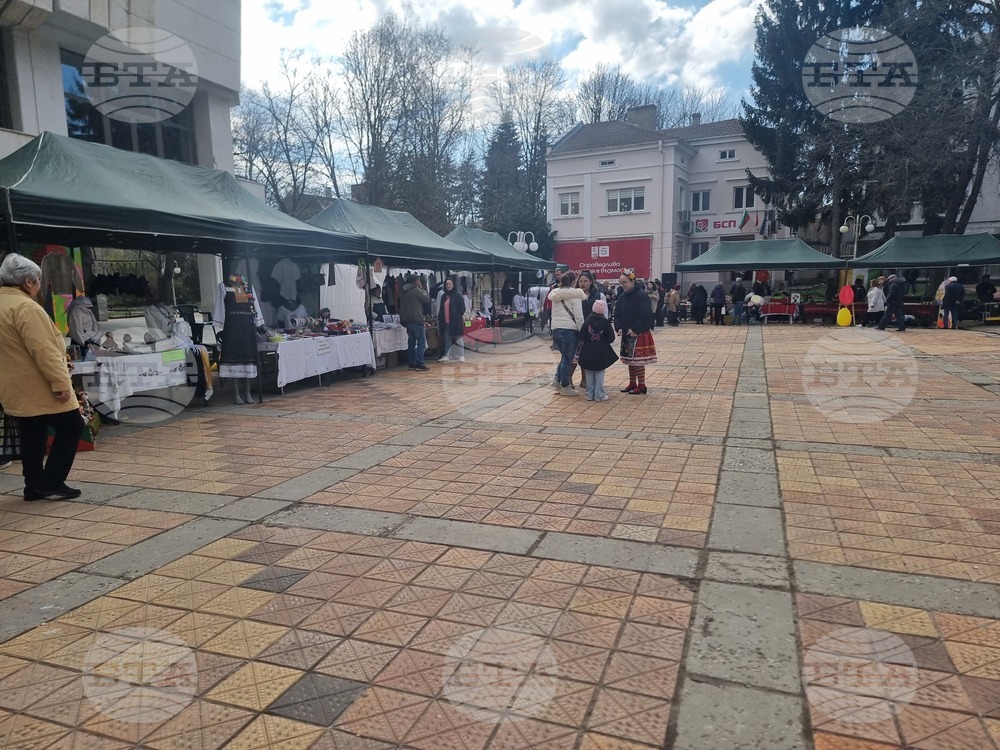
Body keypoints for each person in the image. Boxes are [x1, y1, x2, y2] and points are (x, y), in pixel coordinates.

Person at [0, 254, 82, 501]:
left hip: (13, 385)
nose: (38, 285)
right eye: (37, 280)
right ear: (28, 282)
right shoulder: (25, 307)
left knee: (32, 435)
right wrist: (60, 383)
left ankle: (33, 486)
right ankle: (51, 481)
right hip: (40, 385)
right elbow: (44, 350)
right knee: (72, 425)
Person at [614, 270, 657, 395]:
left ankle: (642, 385)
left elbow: (644, 314)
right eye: (621, 283)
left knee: (638, 361)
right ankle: (632, 383)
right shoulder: (622, 296)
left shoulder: (641, 295)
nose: (623, 285)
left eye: (625, 282)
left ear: (633, 281)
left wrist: (635, 329)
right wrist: (619, 327)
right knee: (630, 360)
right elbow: (617, 314)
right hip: (627, 333)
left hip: (638, 332)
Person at [548, 271, 586, 396]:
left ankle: (557, 381)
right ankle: (565, 385)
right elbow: (579, 317)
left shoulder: (555, 295)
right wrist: (583, 332)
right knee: (567, 359)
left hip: (556, 329)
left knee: (564, 357)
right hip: (569, 330)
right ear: (574, 281)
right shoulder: (575, 295)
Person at [568, 271, 605, 389]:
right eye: (581, 281)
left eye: (585, 281)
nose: (583, 283)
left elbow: (605, 313)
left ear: (591, 282)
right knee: (575, 355)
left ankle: (585, 379)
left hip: (593, 331)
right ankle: (569, 378)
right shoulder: (574, 295)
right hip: (577, 329)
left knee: (587, 355)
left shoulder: (598, 295)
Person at [578, 298, 617, 401]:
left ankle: (589, 394)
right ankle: (599, 394)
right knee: (600, 372)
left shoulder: (587, 322)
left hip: (587, 350)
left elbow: (581, 337)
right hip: (602, 350)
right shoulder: (606, 323)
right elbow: (611, 339)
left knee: (589, 371)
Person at [400, 274, 430, 371]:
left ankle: (411, 363)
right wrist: (421, 288)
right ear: (415, 281)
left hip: (406, 320)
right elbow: (426, 299)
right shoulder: (416, 290)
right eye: (418, 281)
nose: (419, 282)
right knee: (421, 341)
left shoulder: (403, 290)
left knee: (411, 342)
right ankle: (420, 363)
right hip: (416, 319)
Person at [437, 277, 467, 362]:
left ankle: (462, 355)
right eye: (446, 284)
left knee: (458, 338)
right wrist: (440, 318)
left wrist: (457, 317)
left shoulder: (458, 295)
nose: (448, 286)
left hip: (455, 321)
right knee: (447, 339)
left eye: (450, 284)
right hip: (446, 321)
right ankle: (447, 356)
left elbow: (462, 308)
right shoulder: (444, 296)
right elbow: (442, 308)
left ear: (453, 284)